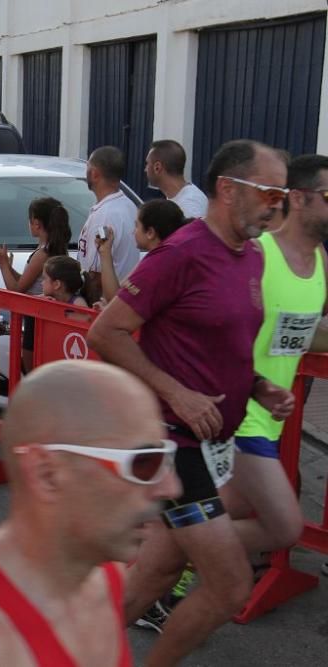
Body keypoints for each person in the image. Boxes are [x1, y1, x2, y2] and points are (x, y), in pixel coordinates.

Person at [87, 140, 294, 666]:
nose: (278, 204)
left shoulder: (249, 257)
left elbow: (219, 345)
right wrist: (176, 391)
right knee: (227, 588)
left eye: (285, 194)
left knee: (154, 575)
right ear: (229, 189)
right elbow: (106, 331)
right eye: (271, 192)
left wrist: (257, 388)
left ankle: (65, 648)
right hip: (172, 440)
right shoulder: (180, 253)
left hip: (214, 444)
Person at [0, 360, 179, 667]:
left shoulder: (101, 569)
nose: (171, 487)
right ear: (47, 474)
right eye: (144, 463)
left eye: (167, 458)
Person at [228, 153, 328, 581]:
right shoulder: (256, 255)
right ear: (301, 199)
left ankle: (168, 570)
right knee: (283, 526)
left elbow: (305, 333)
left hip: (270, 420)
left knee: (205, 516)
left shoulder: (321, 260)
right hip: (238, 418)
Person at [0, 197, 71, 371]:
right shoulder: (50, 248)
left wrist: (2, 263)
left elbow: (16, 290)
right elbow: (25, 280)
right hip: (41, 316)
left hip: (37, 318)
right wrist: (8, 267)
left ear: (36, 223)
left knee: (32, 369)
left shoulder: (43, 253)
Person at [77, 146, 138, 304]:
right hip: (121, 303)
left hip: (103, 306)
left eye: (88, 167)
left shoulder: (106, 214)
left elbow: (95, 277)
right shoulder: (129, 205)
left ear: (95, 173)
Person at [94, 199, 186, 303]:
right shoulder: (165, 259)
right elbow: (116, 298)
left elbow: (114, 301)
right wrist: (105, 251)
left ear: (150, 233)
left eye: (137, 226)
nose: (134, 231)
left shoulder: (153, 267)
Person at [145, 140, 209, 219]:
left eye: (147, 163)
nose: (145, 169)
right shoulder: (179, 198)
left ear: (157, 167)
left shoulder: (189, 206)